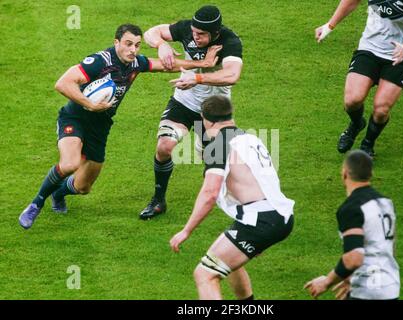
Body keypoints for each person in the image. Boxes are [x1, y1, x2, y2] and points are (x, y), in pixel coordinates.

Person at [19, 23, 221, 229]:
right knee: (70, 163)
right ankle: (36, 204)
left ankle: (58, 192)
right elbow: (62, 83)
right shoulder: (99, 61)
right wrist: (90, 104)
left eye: (137, 45)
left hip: (101, 126)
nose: (133, 50)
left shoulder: (135, 63)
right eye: (128, 44)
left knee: (83, 187)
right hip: (76, 118)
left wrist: (204, 64)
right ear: (116, 43)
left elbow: (163, 65)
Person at [169, 96, 295, 300]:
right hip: (279, 214)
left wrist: (186, 230)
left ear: (206, 120)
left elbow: (209, 193)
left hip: (261, 220)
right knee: (230, 264)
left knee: (205, 274)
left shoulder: (219, 146)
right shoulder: (251, 139)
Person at [139, 5, 243, 219]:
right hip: (184, 103)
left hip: (215, 111)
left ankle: (233, 202)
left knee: (214, 163)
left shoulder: (230, 42)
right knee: (164, 146)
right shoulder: (188, 29)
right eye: (194, 32)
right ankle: (158, 200)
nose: (195, 37)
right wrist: (161, 45)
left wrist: (196, 78)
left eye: (201, 35)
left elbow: (232, 75)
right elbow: (151, 32)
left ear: (215, 33)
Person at [315, 0, 403, 157]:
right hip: (370, 48)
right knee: (352, 100)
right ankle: (357, 124)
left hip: (400, 55)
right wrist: (330, 25)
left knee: (381, 109)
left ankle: (368, 144)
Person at [304, 150, 400, 300]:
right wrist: (350, 278)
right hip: (390, 288)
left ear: (344, 173)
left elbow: (353, 258)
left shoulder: (352, 208)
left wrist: (326, 282)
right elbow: (389, 247)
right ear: (371, 174)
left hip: (367, 291)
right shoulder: (386, 203)